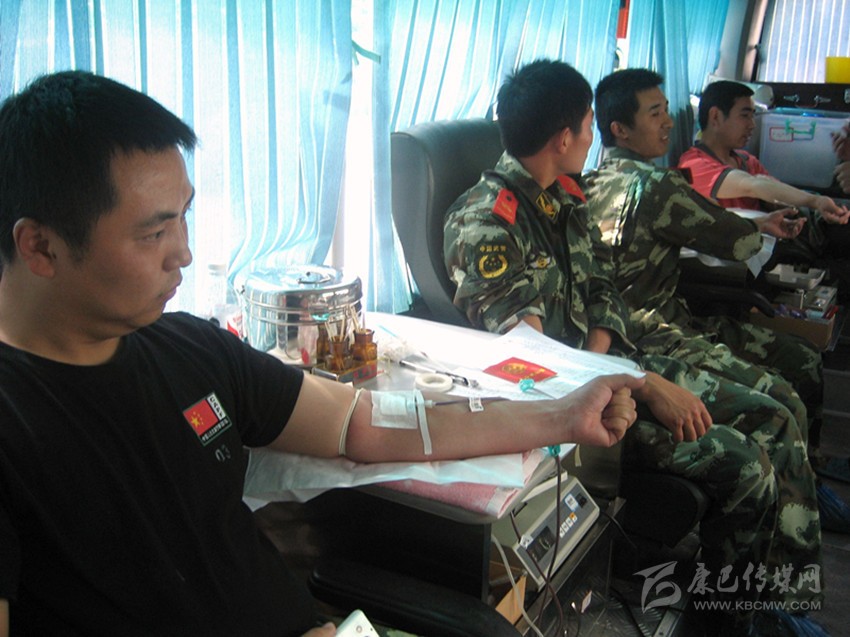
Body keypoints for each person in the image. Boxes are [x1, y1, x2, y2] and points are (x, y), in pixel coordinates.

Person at [0, 71, 646, 637]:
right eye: (153, 232)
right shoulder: (17, 425)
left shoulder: (187, 348)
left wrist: (561, 415)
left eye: (184, 217)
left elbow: (365, 424)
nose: (185, 253)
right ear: (41, 247)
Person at [445, 59, 827, 637]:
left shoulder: (563, 198)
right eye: (587, 125)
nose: (593, 137)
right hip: (570, 412)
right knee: (749, 467)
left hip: (609, 375)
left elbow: (604, 290)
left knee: (774, 415)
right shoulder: (485, 225)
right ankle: (724, 624)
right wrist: (642, 384)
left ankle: (772, 600)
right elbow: (533, 362)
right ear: (564, 138)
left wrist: (618, 368)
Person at [678, 79, 850, 269]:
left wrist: (814, 210)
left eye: (753, 116)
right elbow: (752, 186)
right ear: (715, 116)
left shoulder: (745, 160)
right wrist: (815, 201)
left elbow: (774, 194)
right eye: (745, 116)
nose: (752, 125)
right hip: (755, 252)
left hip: (790, 234)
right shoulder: (694, 165)